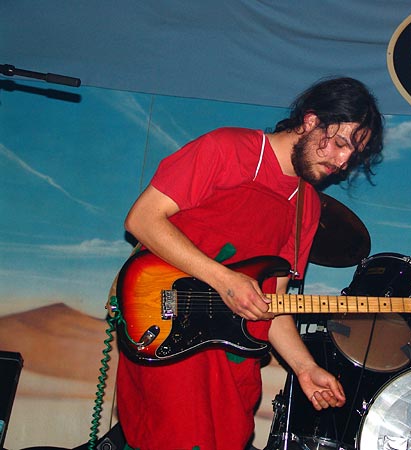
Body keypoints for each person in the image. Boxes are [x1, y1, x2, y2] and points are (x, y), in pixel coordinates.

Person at [114, 77, 384, 450]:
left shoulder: (307, 207)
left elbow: (273, 305)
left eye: (353, 155)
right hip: (168, 329)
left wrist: (305, 368)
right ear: (310, 121)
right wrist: (225, 280)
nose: (342, 162)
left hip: (233, 356)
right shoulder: (227, 148)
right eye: (340, 143)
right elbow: (142, 219)